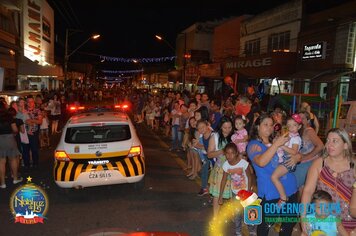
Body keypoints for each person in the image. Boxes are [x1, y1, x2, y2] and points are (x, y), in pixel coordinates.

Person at [246, 113, 300, 235]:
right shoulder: (254, 145)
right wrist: (277, 144)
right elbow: (261, 162)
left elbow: (296, 153)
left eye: (271, 125)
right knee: (265, 226)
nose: (269, 127)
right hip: (271, 193)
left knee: (289, 223)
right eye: (265, 124)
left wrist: (297, 157)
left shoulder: (276, 139)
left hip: (291, 188)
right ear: (257, 127)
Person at [301, 128, 356, 234]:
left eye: (334, 141)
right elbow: (308, 191)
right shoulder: (319, 163)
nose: (329, 144)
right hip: (324, 220)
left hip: (350, 223)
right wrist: (303, 217)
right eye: (328, 140)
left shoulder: (354, 166)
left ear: (345, 145)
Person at [218, 143, 256, 236]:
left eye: (232, 153)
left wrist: (249, 192)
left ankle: (252, 230)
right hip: (235, 193)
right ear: (224, 154)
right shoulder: (226, 165)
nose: (229, 155)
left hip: (246, 192)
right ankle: (238, 231)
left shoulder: (243, 163)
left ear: (236, 153)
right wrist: (220, 196)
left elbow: (250, 177)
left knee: (249, 211)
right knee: (237, 213)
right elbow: (223, 180)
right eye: (227, 153)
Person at [271, 114, 302, 206]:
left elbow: (294, 152)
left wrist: (281, 145)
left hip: (288, 161)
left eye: (294, 125)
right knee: (276, 177)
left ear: (299, 126)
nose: (291, 128)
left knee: (274, 177)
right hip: (286, 159)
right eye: (289, 126)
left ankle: (283, 198)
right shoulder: (291, 136)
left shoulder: (296, 138)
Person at [208, 116, 234, 217]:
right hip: (220, 169)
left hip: (233, 169)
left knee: (233, 193)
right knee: (217, 194)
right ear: (220, 127)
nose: (227, 130)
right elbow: (209, 154)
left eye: (230, 127)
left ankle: (232, 215)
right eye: (225, 128)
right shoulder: (215, 136)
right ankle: (215, 217)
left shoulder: (235, 137)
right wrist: (222, 151)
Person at [294, 111, 324, 194]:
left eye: (303, 118)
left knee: (294, 184)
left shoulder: (309, 131)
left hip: (308, 162)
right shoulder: (298, 131)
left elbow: (321, 146)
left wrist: (306, 156)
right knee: (300, 189)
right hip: (300, 162)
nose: (300, 120)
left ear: (308, 120)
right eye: (299, 118)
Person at [0, 103, 22, 188]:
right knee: (13, 159)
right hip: (10, 139)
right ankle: (15, 178)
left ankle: (2, 183)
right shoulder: (9, 116)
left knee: (1, 162)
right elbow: (15, 129)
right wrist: (13, 133)